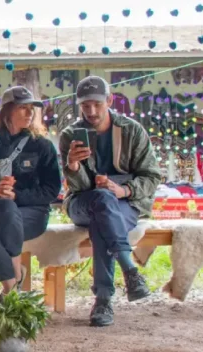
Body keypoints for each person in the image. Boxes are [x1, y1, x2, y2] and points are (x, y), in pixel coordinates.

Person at [58, 76, 163, 326]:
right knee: (101, 203)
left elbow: (152, 176)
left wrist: (123, 190)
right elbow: (80, 187)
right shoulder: (70, 135)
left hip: (124, 202)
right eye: (85, 106)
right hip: (82, 201)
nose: (91, 112)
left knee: (101, 222)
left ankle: (103, 301)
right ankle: (130, 270)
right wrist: (72, 165)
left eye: (97, 104)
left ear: (110, 100)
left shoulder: (131, 130)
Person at [0, 86, 62, 296]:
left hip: (32, 215)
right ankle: (16, 273)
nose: (29, 113)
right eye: (22, 108)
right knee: (3, 204)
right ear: (7, 111)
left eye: (31, 109)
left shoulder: (42, 146)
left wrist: (17, 195)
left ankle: (9, 289)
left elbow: (52, 189)